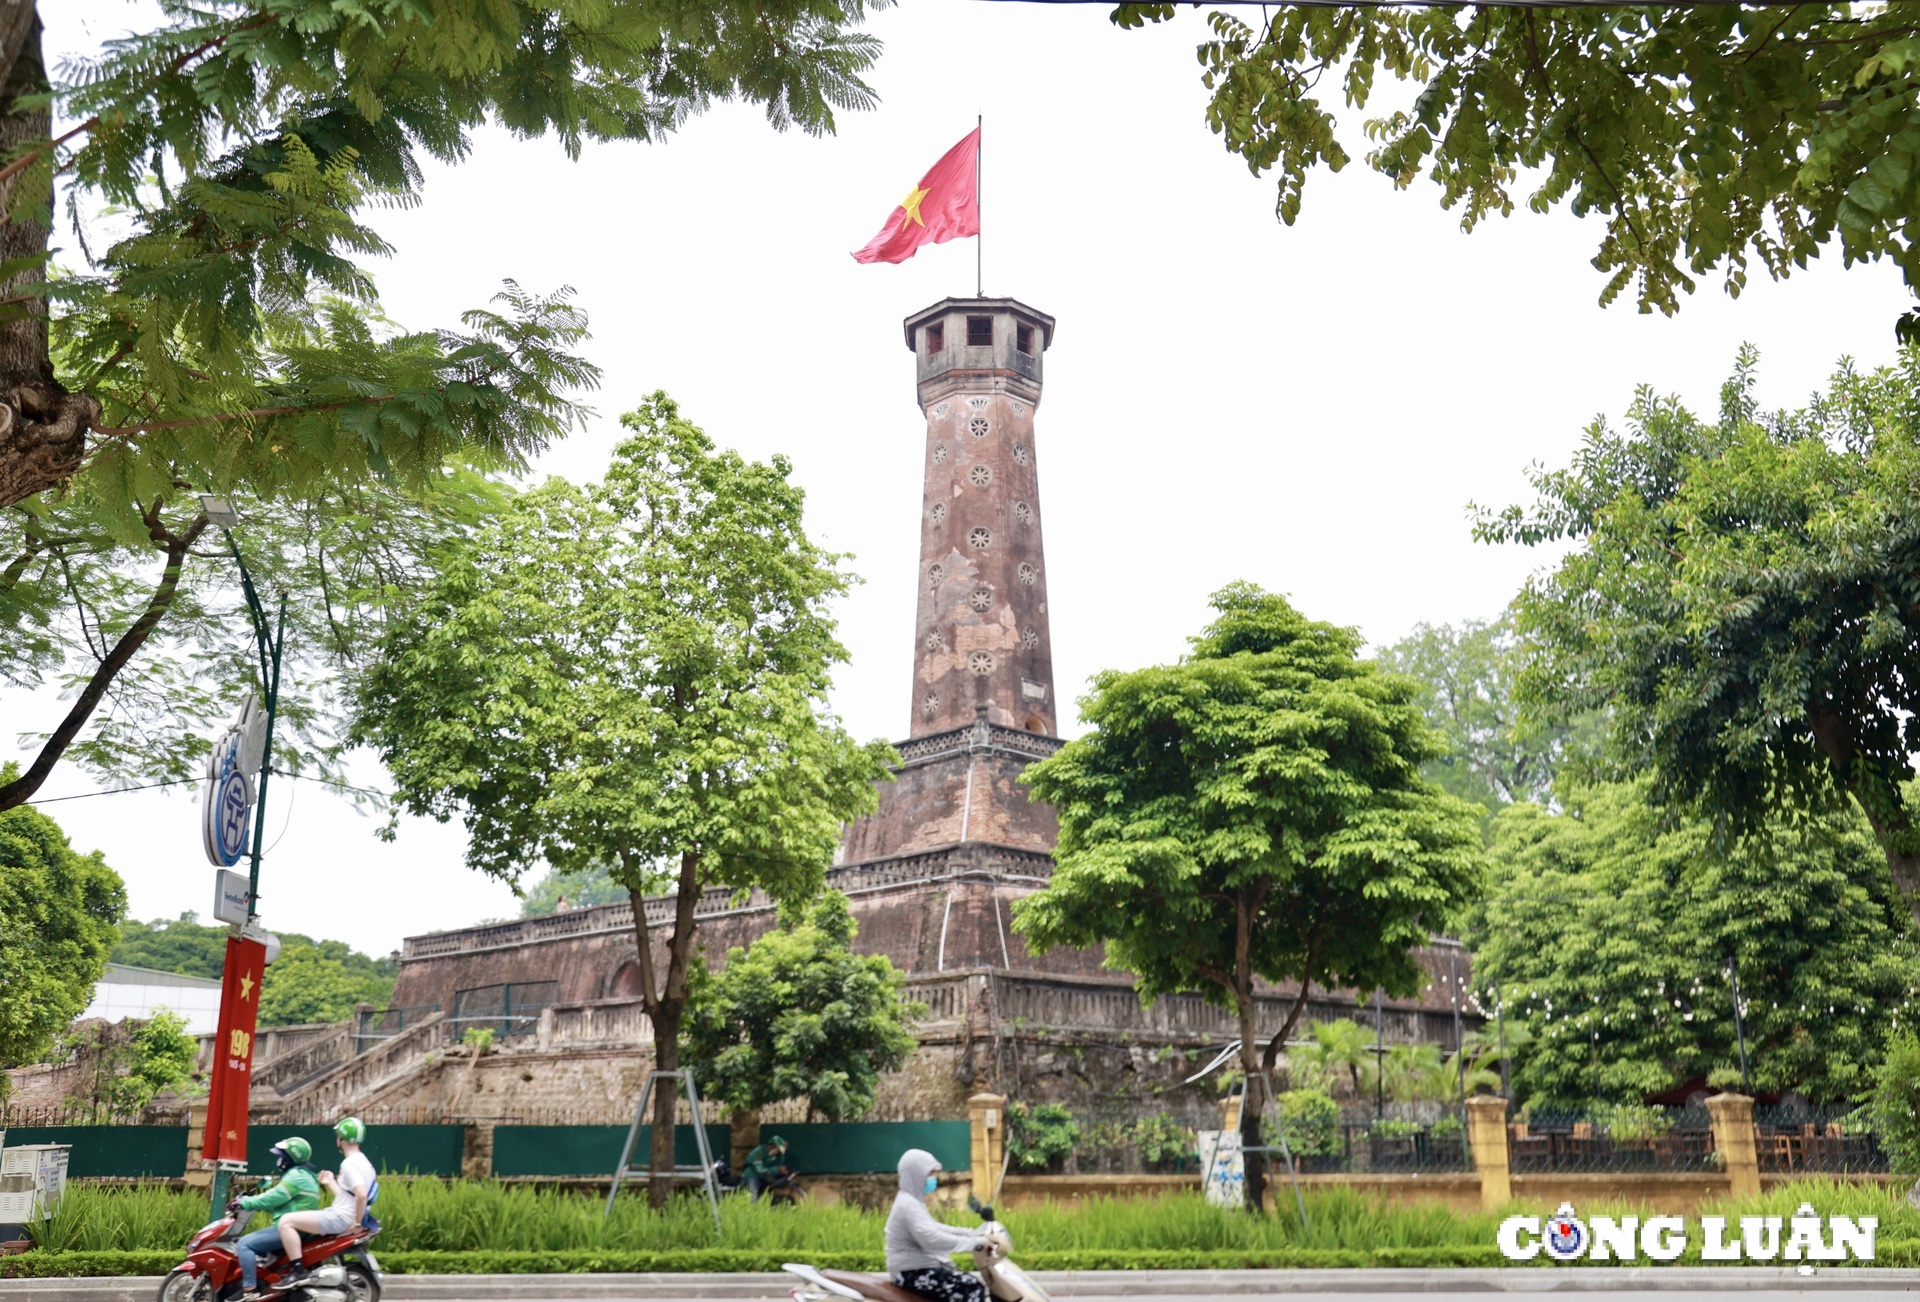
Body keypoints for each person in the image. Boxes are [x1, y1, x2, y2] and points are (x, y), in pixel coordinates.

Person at [271, 1118, 378, 1290]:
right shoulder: (365, 1162)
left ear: (341, 1139)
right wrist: (331, 1182)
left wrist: (357, 1224)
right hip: (342, 1214)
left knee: (285, 1222)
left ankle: (298, 1272)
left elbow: (361, 1195)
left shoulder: (349, 1164)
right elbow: (350, 1197)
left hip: (340, 1217)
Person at [885, 1149, 989, 1302]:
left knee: (970, 1283)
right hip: (911, 1273)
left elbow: (934, 1227)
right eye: (930, 1174)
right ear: (916, 1175)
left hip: (917, 1270)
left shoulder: (912, 1201)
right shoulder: (908, 1204)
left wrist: (970, 1233)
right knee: (971, 1287)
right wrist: (974, 1243)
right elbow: (932, 1238)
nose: (934, 1178)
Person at [230, 1137, 322, 1302]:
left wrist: (245, 1202)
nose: (279, 1160)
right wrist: (257, 1204)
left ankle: (249, 1290)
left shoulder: (296, 1177)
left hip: (290, 1230)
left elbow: (272, 1198)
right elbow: (280, 1203)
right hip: (296, 1228)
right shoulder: (306, 1175)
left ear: (290, 1158)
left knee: (244, 1244)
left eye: (282, 1156)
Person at [740, 1134, 789, 1202]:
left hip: (766, 1176)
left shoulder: (776, 1155)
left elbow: (778, 1165)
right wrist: (777, 1169)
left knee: (768, 1196)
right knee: (753, 1196)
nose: (777, 1152)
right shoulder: (758, 1152)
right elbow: (760, 1169)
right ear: (771, 1147)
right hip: (753, 1175)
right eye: (777, 1150)